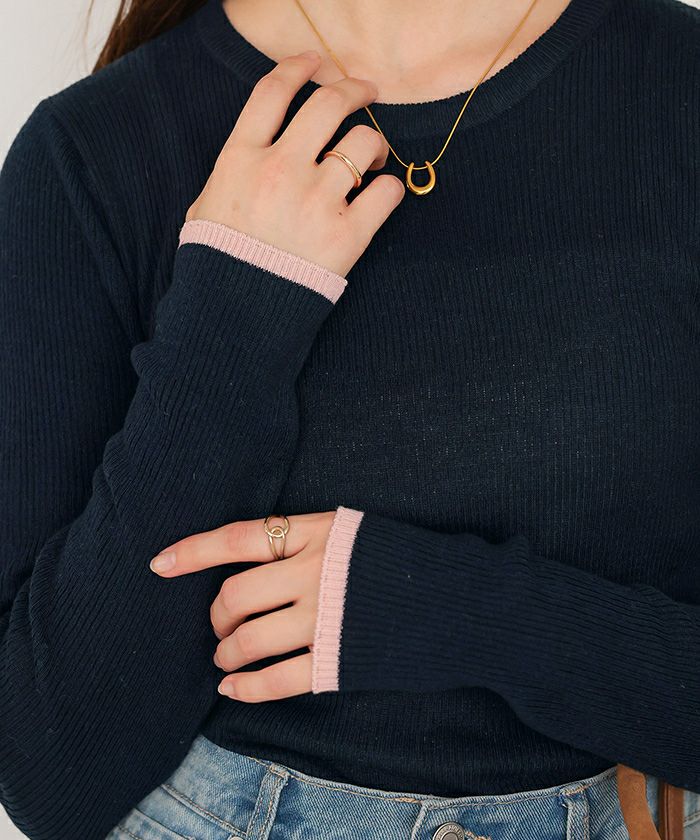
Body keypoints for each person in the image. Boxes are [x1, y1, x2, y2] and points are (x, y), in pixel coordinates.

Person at [1, 0, 699, 836]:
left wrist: (451, 610)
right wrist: (236, 305)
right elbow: (51, 774)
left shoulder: (676, 90)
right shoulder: (93, 148)